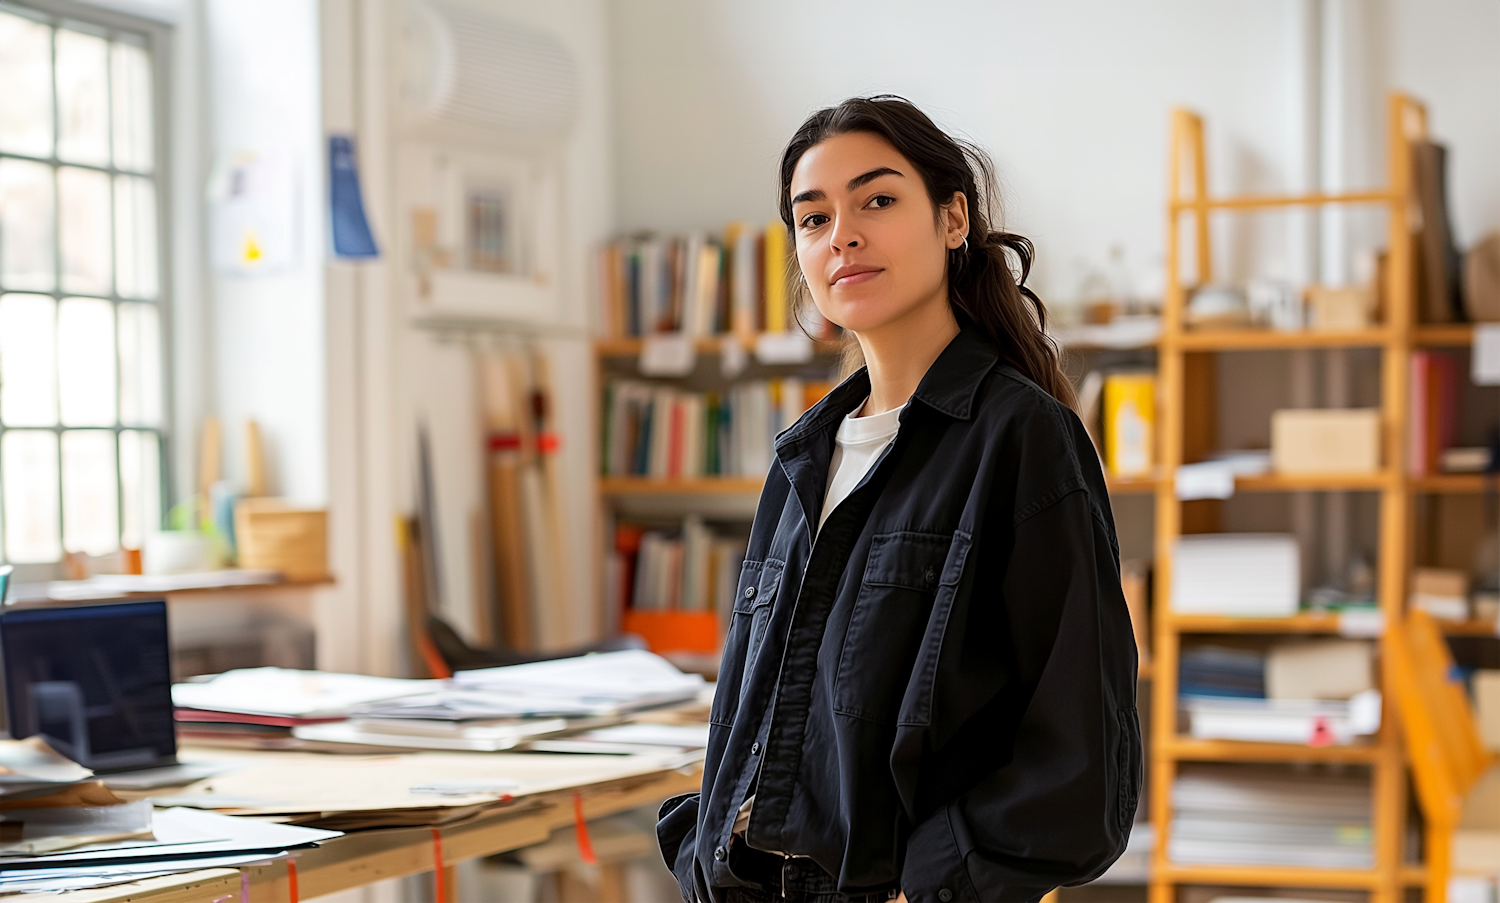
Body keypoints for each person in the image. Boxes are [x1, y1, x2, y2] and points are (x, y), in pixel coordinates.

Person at [656, 96, 1141, 903]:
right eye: (813, 219)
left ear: (953, 219)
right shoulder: (801, 456)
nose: (841, 233)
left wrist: (928, 885)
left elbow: (1081, 761)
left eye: (877, 200)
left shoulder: (1022, 439)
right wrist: (704, 844)